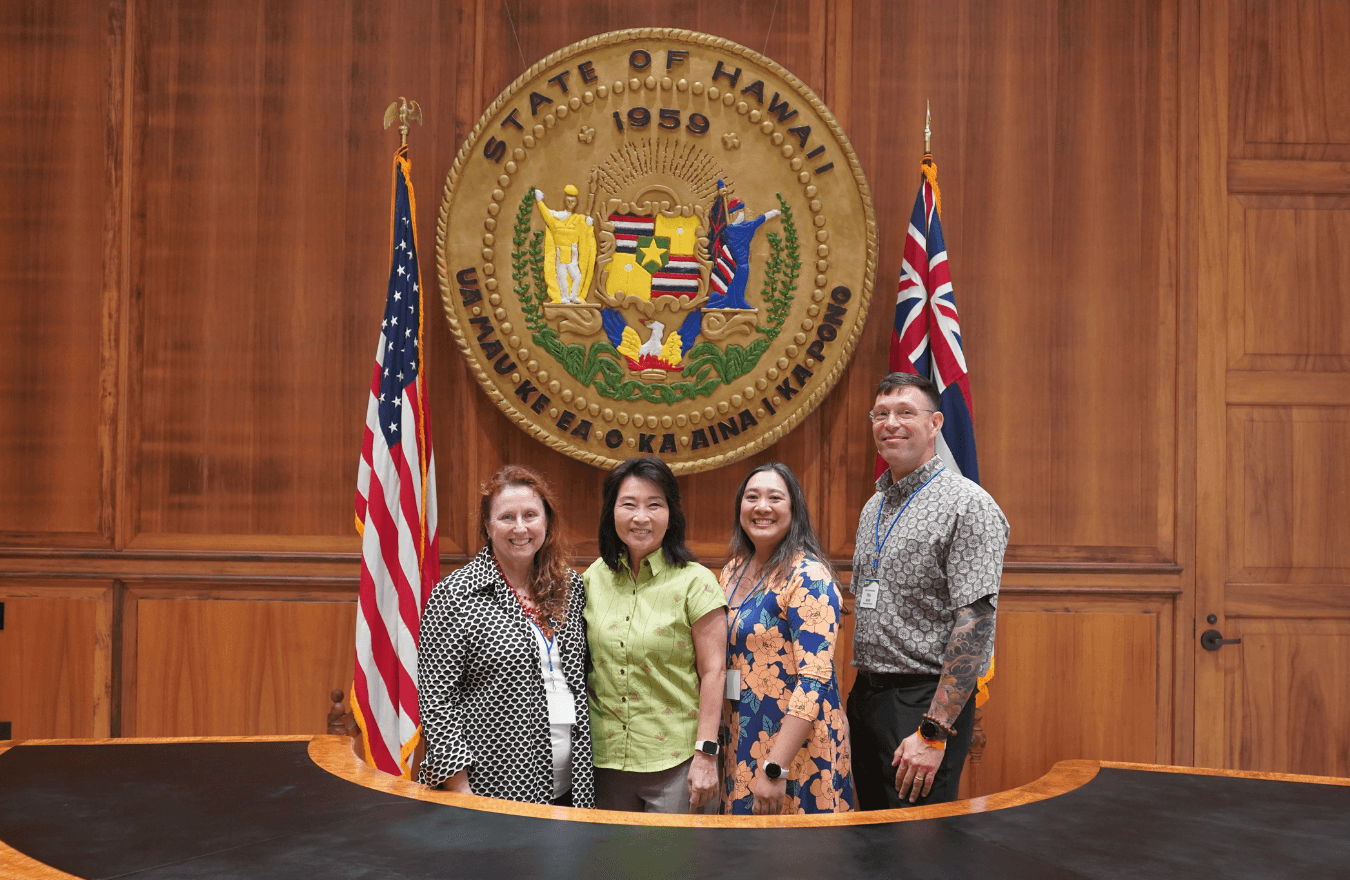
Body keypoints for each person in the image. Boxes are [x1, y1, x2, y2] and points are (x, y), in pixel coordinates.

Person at [848, 372, 1009, 808]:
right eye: (880, 414)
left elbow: (974, 624)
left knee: (918, 848)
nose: (890, 423)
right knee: (873, 847)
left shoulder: (968, 504)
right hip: (867, 696)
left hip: (922, 703)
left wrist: (933, 732)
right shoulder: (875, 505)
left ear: (936, 423)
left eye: (905, 412)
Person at [418, 465, 593, 807]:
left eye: (531, 515)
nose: (520, 528)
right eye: (506, 517)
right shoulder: (456, 595)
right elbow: (437, 701)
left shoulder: (570, 587)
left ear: (547, 521)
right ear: (487, 525)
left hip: (570, 784)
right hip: (490, 789)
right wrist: (459, 789)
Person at [584, 457, 727, 813]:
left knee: (670, 866)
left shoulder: (696, 582)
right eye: (628, 504)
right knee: (610, 868)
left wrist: (706, 755)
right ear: (611, 511)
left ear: (671, 513)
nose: (640, 517)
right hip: (605, 761)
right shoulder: (591, 579)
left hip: (676, 762)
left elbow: (715, 672)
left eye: (654, 505)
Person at [719, 463, 855, 815]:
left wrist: (775, 766)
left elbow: (815, 678)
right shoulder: (733, 570)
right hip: (743, 733)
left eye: (774, 498)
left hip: (795, 748)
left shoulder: (808, 576)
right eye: (752, 497)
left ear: (794, 510)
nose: (761, 507)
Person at [534, 184, 596, 304]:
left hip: (573, 254)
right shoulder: (555, 218)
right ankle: (563, 297)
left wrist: (588, 224)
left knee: (577, 277)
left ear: (576, 202)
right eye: (568, 200)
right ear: (565, 201)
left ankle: (573, 296)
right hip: (560, 253)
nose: (570, 203)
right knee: (561, 277)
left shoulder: (578, 220)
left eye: (573, 201)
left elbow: (585, 232)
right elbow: (546, 214)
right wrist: (539, 201)